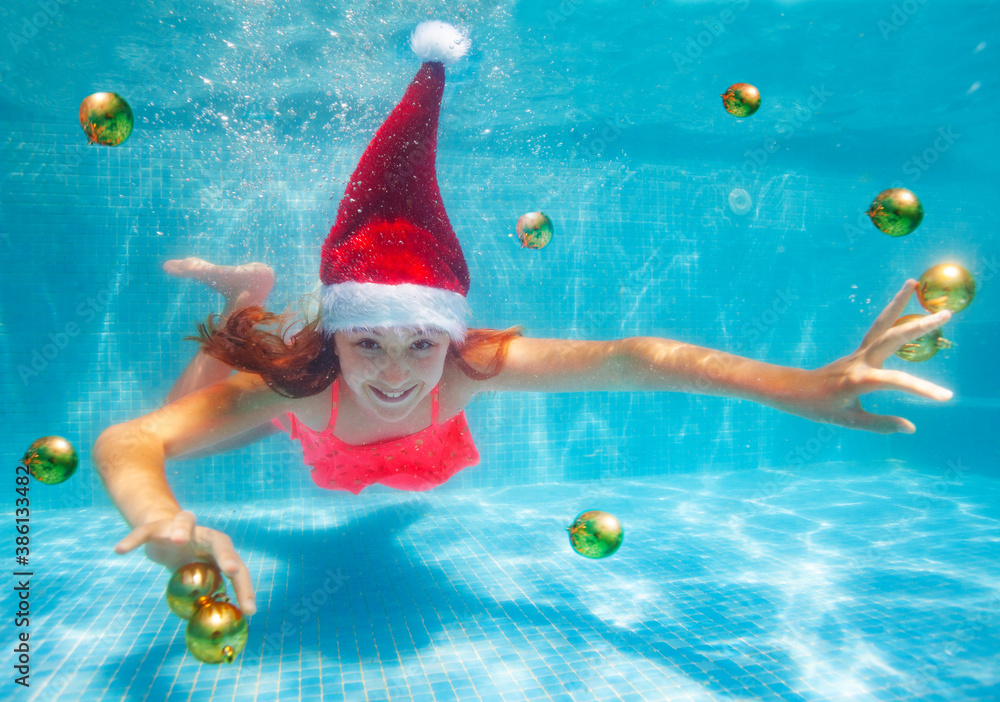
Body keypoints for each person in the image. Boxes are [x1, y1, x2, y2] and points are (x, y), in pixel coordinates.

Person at [92, 21, 954, 619]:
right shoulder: (307, 382)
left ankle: (254, 293)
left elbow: (636, 358)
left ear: (451, 336)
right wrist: (164, 517)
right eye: (367, 341)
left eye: (420, 342)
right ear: (335, 337)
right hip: (319, 423)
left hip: (385, 430)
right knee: (229, 415)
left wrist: (802, 388)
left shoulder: (473, 363)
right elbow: (129, 441)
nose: (396, 371)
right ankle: (249, 297)